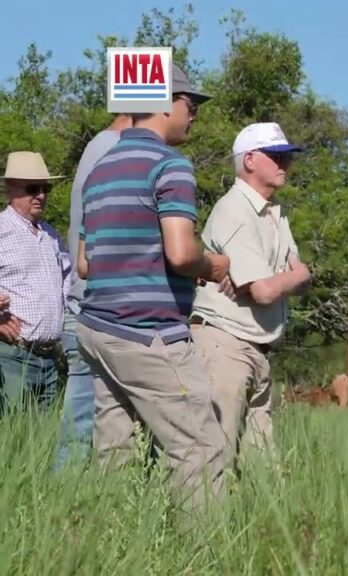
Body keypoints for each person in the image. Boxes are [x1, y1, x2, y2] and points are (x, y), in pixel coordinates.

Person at [76, 64, 229, 511]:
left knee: (114, 454)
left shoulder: (100, 169)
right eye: (190, 104)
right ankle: (207, 554)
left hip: (98, 327)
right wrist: (212, 266)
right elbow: (181, 254)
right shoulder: (170, 165)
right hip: (148, 332)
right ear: (164, 102)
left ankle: (110, 548)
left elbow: (85, 264)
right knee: (200, 449)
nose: (194, 114)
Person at [191, 122, 310, 474]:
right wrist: (298, 276)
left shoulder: (275, 212)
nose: (285, 164)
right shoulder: (235, 210)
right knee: (217, 457)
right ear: (250, 160)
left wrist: (291, 278)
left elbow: (281, 282)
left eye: (287, 156)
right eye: (276, 156)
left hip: (256, 346)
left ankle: (259, 530)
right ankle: (203, 529)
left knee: (264, 468)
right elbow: (266, 290)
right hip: (226, 344)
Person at [54, 112, 132, 468]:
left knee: (90, 428)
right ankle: (63, 514)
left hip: (91, 307)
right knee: (82, 430)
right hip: (97, 309)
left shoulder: (100, 148)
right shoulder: (111, 149)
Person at [0, 151, 72, 415]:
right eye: (32, 188)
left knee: (42, 442)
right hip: (13, 357)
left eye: (45, 188)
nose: (40, 195)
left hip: (51, 359)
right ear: (10, 189)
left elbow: (68, 283)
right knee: (12, 439)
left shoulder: (51, 235)